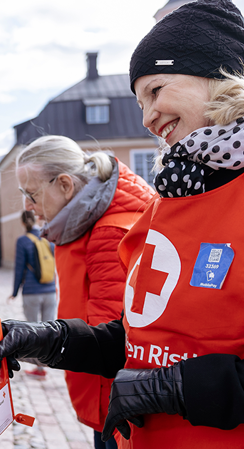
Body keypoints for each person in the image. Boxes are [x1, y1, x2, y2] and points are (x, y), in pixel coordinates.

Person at [0, 1, 244, 448]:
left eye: (156, 90)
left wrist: (171, 389)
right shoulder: (175, 195)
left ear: (217, 75)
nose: (147, 117)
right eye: (140, 102)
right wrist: (49, 339)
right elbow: (144, 339)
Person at [14, 134, 155, 448]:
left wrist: (38, 343)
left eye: (32, 194)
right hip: (104, 392)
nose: (27, 205)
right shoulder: (87, 222)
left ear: (65, 185)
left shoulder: (107, 231)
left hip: (115, 403)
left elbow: (109, 338)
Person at [8, 210, 58, 378]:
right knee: (50, 330)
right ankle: (48, 364)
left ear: (23, 223)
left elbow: (19, 268)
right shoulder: (47, 237)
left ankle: (39, 368)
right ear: (37, 219)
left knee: (34, 331)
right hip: (50, 291)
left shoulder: (23, 241)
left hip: (31, 293)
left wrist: (14, 292)